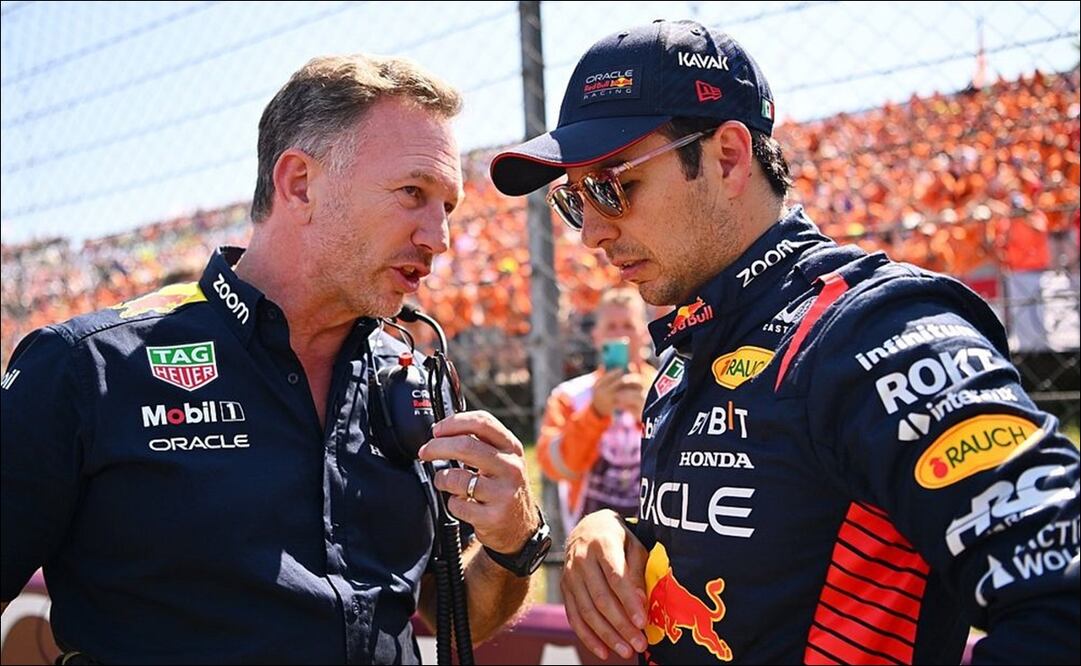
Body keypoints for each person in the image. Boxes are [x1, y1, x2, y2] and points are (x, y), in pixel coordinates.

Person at [490, 19, 1079, 665]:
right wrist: (615, 531)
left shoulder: (871, 328)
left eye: (612, 187)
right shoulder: (688, 346)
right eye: (575, 200)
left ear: (728, 157)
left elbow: (1062, 593)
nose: (591, 234)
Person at [1, 53, 551, 664]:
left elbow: (456, 617)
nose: (439, 239)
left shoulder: (412, 379)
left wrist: (513, 543)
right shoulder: (87, 368)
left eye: (446, 207)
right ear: (300, 184)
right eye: (412, 193)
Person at [537, 288, 655, 536]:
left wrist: (651, 417)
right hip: (590, 538)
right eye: (611, 327)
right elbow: (555, 467)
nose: (620, 336)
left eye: (628, 326)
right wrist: (595, 414)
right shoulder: (570, 395)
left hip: (660, 538)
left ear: (645, 334)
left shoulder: (666, 389)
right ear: (596, 336)